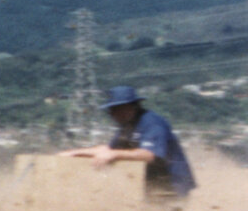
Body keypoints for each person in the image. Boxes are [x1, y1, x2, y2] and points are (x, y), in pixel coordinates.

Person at [62, 85, 195, 198]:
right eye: (112, 110)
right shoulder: (128, 125)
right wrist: (74, 153)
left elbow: (148, 154)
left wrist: (114, 154)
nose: (114, 115)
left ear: (133, 107)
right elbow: (108, 150)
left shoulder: (152, 123)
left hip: (174, 186)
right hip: (153, 184)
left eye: (118, 109)